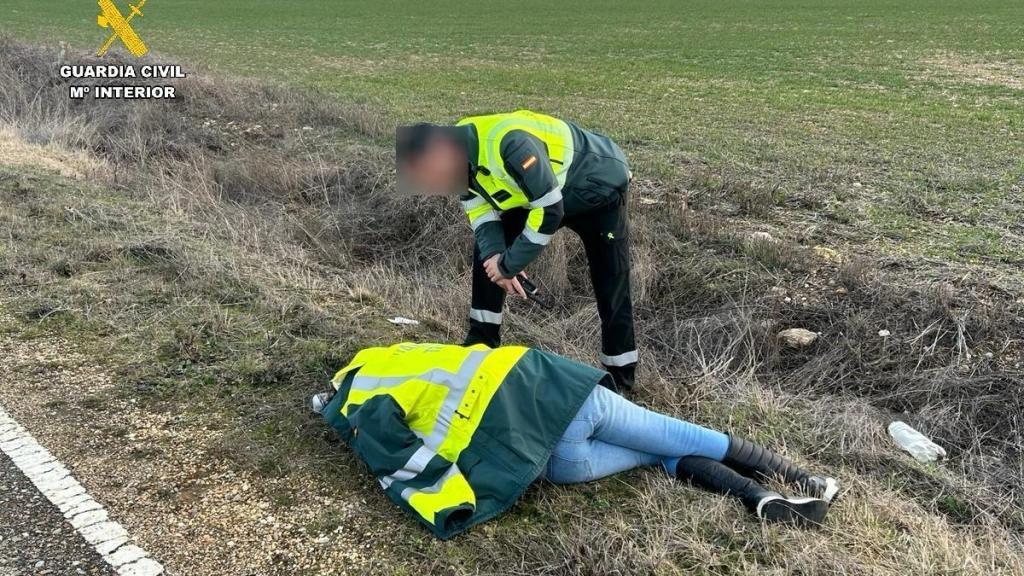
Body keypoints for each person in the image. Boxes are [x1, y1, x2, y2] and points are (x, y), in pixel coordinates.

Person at [313, 342, 840, 540]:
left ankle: (760, 499)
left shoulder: (357, 410)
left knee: (660, 454)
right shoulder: (396, 358)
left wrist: (452, 500)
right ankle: (803, 479)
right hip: (560, 397)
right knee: (682, 435)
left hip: (551, 462)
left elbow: (399, 461)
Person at [396, 110, 638, 391]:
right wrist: (497, 257)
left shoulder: (509, 143)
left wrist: (509, 265)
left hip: (598, 186)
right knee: (487, 254)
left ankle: (620, 378)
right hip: (544, 193)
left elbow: (550, 209)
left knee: (611, 281)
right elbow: (480, 213)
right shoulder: (458, 153)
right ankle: (480, 342)